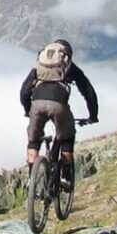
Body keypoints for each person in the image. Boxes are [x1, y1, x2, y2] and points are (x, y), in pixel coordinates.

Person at [20, 39, 99, 187]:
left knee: (34, 140)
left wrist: (27, 110)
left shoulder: (39, 65)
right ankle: (66, 177)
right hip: (59, 105)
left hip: (36, 104)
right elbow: (88, 92)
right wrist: (93, 116)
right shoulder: (68, 65)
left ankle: (32, 179)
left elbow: (24, 90)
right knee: (67, 138)